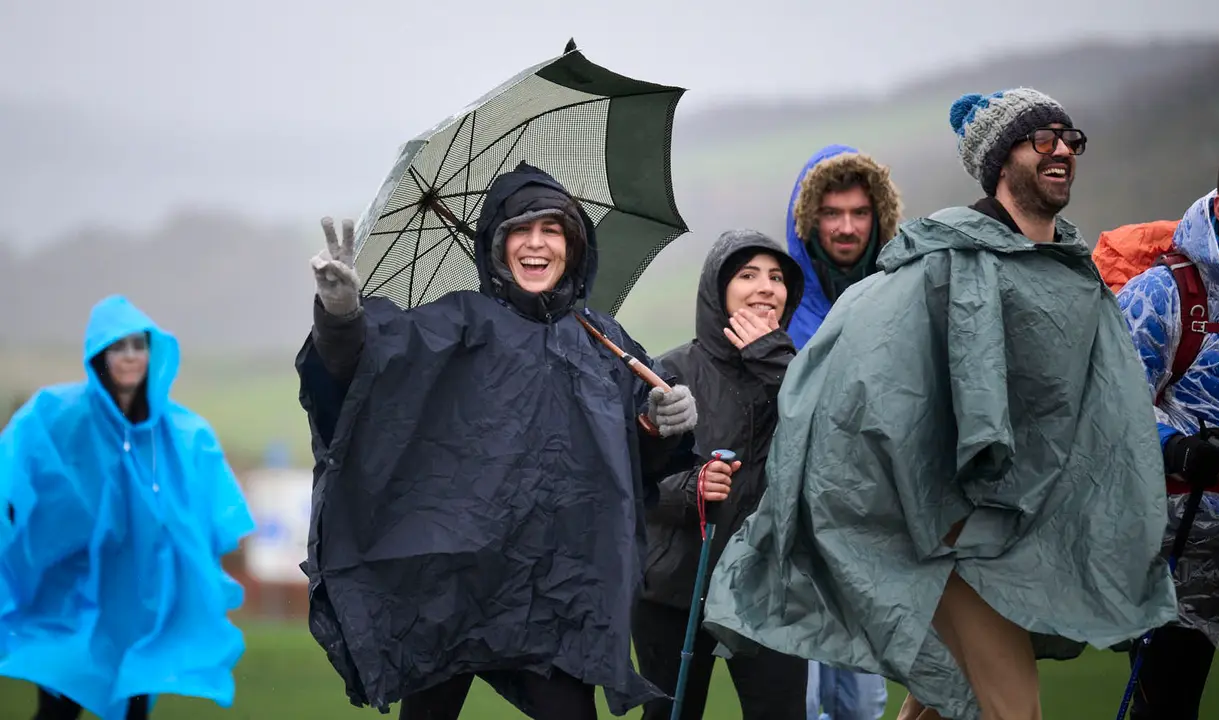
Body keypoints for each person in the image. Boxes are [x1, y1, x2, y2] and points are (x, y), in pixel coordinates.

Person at [700, 87, 1180, 720]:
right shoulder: (941, 268)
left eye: (1069, 138)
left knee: (942, 702)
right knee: (1014, 711)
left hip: (1026, 524)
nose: (1061, 149)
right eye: (1041, 139)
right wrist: (933, 505)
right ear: (1000, 160)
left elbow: (1093, 398)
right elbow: (857, 394)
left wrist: (1168, 443)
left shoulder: (1067, 269)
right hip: (958, 530)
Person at [297, 161, 699, 720]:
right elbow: (364, 379)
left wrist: (662, 421)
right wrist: (340, 319)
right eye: (520, 231)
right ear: (497, 246)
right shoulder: (456, 325)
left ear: (574, 245)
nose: (536, 244)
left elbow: (636, 460)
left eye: (552, 230)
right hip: (450, 592)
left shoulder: (602, 340)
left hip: (556, 592)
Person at [0, 295, 256, 720]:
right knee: (60, 704)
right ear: (100, 355)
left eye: (139, 345)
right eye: (119, 347)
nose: (131, 356)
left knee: (134, 706)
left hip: (138, 596)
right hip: (71, 594)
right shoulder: (62, 416)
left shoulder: (176, 432)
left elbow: (208, 495)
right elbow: (17, 462)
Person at [1115, 139, 1219, 720]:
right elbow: (1111, 402)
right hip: (1184, 556)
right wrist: (1174, 446)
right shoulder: (1161, 295)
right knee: (1167, 710)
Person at [631, 229, 807, 719]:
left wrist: (774, 359)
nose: (766, 287)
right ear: (716, 291)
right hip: (674, 590)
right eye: (747, 275)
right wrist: (692, 487)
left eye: (776, 277)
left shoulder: (802, 373)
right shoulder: (669, 371)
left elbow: (830, 445)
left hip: (770, 585)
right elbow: (631, 472)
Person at [784, 143, 903, 720]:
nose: (847, 227)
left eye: (860, 212)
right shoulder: (778, 309)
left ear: (879, 216)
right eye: (832, 213)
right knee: (803, 704)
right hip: (799, 539)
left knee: (861, 703)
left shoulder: (903, 296)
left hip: (875, 534)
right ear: (808, 220)